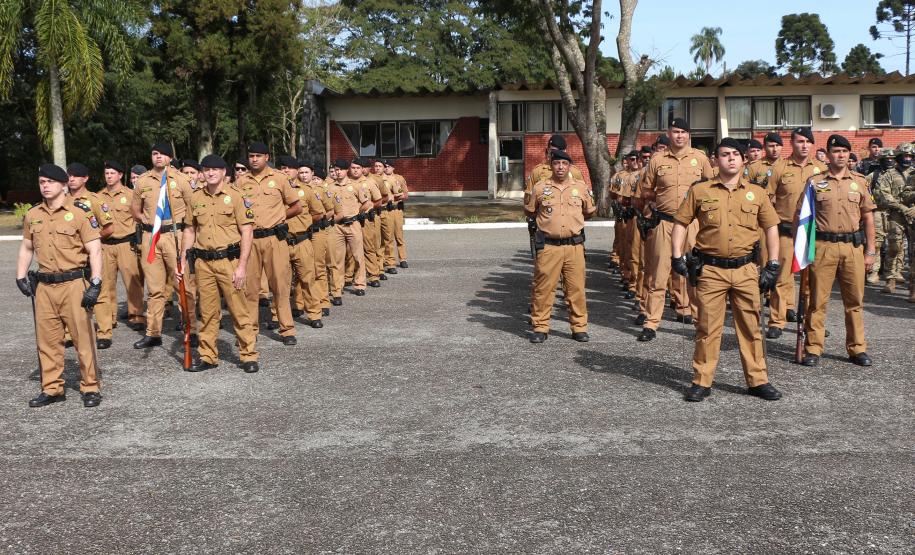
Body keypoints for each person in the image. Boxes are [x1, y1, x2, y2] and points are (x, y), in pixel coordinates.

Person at [671, 138, 782, 402]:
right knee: (708, 328)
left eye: (735, 154)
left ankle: (758, 380)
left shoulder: (757, 192)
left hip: (746, 270)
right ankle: (702, 380)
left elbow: (771, 228)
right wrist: (676, 256)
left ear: (743, 160)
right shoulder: (700, 191)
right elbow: (680, 222)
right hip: (711, 270)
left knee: (751, 327)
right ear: (715, 160)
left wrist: (773, 263)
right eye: (724, 154)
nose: (730, 158)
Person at [16, 164, 104, 408]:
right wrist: (20, 276)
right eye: (41, 182)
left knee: (82, 338)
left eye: (49, 182)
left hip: (74, 283)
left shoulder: (80, 213)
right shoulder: (33, 215)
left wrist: (95, 282)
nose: (45, 186)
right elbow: (26, 247)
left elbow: (95, 249)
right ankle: (52, 388)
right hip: (44, 286)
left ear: (63, 184)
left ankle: (91, 386)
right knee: (47, 340)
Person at [177, 154, 259, 373]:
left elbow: (247, 231)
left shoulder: (236, 196)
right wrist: (182, 260)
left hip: (229, 261)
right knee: (208, 312)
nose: (210, 173)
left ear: (224, 172)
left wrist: (242, 266)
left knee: (239, 310)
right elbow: (189, 230)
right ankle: (208, 355)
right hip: (203, 262)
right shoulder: (195, 198)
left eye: (215, 169)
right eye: (207, 169)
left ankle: (248, 354)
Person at [800, 134, 876, 367]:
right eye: (836, 152)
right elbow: (803, 218)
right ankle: (813, 347)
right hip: (823, 248)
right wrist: (802, 251)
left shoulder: (861, 182)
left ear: (848, 154)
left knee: (854, 301)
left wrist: (870, 251)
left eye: (844, 151)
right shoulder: (815, 182)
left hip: (852, 248)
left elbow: (868, 218)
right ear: (828, 155)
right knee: (817, 301)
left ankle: (857, 348)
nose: (840, 155)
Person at [638, 117, 714, 341]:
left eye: (683, 131)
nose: (679, 135)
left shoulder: (700, 159)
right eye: (675, 131)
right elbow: (646, 190)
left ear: (689, 134)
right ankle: (651, 324)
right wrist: (658, 199)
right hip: (665, 223)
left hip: (692, 225)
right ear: (668, 134)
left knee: (695, 275)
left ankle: (701, 324)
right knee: (658, 275)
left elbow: (712, 188)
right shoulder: (657, 160)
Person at [132, 143, 199, 349]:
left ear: (170, 157)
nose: (158, 157)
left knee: (184, 286)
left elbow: (192, 209)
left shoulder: (181, 180)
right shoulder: (142, 181)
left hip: (175, 235)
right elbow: (135, 209)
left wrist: (188, 236)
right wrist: (148, 223)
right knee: (154, 288)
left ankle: (192, 329)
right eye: (154, 154)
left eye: (162, 154)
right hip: (152, 236)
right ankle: (153, 332)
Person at [525, 150, 596, 343]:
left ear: (570, 166)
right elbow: (531, 211)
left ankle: (579, 327)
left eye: (565, 163)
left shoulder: (580, 188)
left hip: (574, 246)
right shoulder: (540, 188)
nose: (561, 167)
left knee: (576, 289)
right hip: (549, 247)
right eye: (557, 163)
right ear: (551, 165)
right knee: (544, 289)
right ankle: (540, 327)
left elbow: (589, 211)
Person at [235, 142, 302, 345]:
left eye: (258, 156)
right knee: (250, 289)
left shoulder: (280, 179)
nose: (254, 159)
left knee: (280, 286)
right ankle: (249, 331)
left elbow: (296, 206)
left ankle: (287, 330)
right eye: (251, 156)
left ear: (266, 157)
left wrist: (279, 216)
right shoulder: (240, 182)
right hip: (250, 240)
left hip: (275, 239)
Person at [764, 127, 826, 339]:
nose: (804, 145)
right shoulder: (778, 167)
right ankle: (777, 321)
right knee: (782, 279)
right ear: (791, 143)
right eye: (800, 141)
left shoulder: (821, 169)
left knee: (812, 282)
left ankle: (812, 322)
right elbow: (766, 199)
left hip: (811, 234)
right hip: (785, 232)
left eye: (808, 142)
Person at [96, 160, 146, 343]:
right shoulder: (98, 196)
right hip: (106, 245)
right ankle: (109, 318)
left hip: (127, 244)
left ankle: (137, 315)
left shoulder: (131, 194)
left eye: (112, 173)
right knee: (106, 284)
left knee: (133, 281)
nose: (109, 176)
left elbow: (140, 218)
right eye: (106, 173)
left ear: (120, 175)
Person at [872, 144, 914, 294]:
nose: (907, 159)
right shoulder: (889, 175)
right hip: (896, 214)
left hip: (913, 215)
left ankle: (912, 286)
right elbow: (883, 194)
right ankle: (890, 279)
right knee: (894, 247)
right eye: (904, 156)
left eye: (910, 156)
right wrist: (901, 207)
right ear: (899, 157)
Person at [330, 159, 372, 302]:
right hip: (337, 226)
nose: (338, 172)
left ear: (346, 170)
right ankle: (337, 290)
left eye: (340, 169)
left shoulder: (355, 186)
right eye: (336, 170)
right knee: (337, 258)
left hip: (353, 224)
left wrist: (358, 213)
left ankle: (360, 284)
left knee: (357, 256)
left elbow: (366, 202)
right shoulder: (329, 187)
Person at [384, 159, 409, 268]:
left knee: (399, 236)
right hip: (386, 210)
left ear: (393, 167)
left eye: (388, 166)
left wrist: (393, 197)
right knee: (388, 237)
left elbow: (405, 195)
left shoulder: (399, 178)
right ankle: (390, 261)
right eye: (385, 166)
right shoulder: (380, 179)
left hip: (397, 209)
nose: (386, 168)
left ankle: (403, 258)